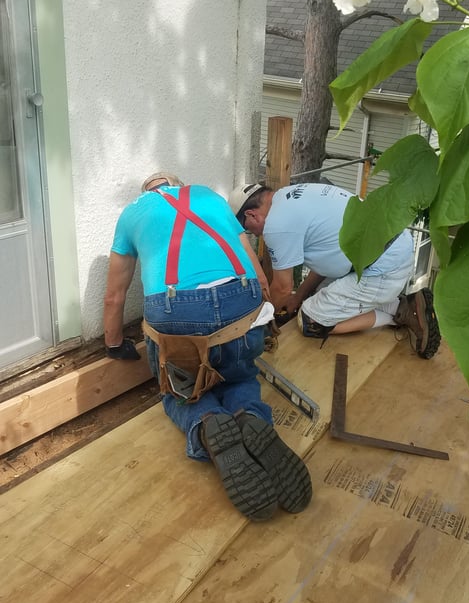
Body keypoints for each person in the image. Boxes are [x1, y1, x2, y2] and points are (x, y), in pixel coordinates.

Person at [103, 171, 311, 522]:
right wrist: (260, 319)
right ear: (179, 184)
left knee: (178, 390)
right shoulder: (210, 197)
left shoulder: (131, 214)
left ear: (147, 192)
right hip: (240, 301)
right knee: (240, 376)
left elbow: (114, 296)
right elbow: (260, 276)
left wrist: (113, 344)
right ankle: (248, 416)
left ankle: (205, 422)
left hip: (177, 312)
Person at [228, 182, 441, 358]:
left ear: (252, 215)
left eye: (249, 230)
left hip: (382, 268)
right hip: (389, 249)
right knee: (315, 297)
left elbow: (282, 288)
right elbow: (326, 258)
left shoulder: (277, 225)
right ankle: (401, 304)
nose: (255, 235)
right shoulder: (290, 195)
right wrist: (299, 296)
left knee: (310, 320)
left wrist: (261, 320)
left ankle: (400, 313)